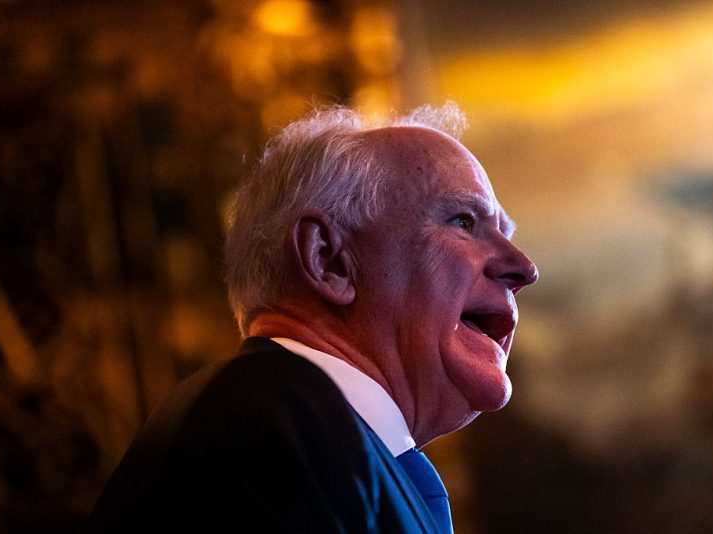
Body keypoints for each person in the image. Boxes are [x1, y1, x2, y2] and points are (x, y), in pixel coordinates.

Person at [87, 102, 538, 533]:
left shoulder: (313, 434)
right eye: (463, 222)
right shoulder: (263, 435)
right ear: (329, 260)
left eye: (505, 232)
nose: (523, 267)